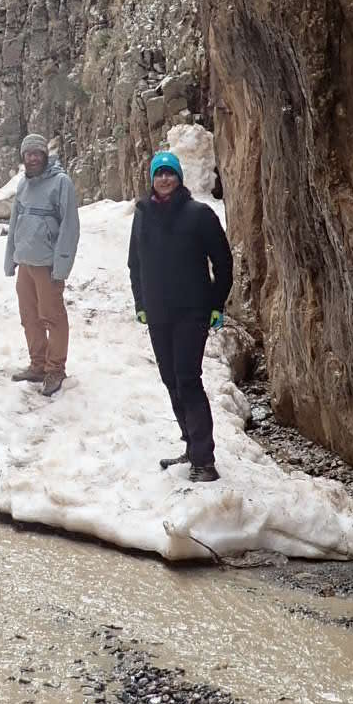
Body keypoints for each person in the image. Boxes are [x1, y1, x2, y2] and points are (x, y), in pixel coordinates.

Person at [127, 147, 233, 481]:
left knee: (187, 379)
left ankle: (205, 461)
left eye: (170, 173)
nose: (164, 178)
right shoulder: (143, 214)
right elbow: (134, 264)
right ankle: (191, 445)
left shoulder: (199, 214)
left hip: (192, 311)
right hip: (158, 313)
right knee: (171, 379)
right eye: (159, 173)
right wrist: (141, 304)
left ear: (179, 177)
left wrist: (216, 304)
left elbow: (224, 263)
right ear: (152, 179)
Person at [4, 132, 80, 397]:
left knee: (52, 317)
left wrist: (62, 267)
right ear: (23, 157)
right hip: (25, 264)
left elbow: (70, 228)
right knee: (29, 318)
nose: (33, 158)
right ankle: (38, 365)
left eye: (37, 153)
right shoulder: (23, 184)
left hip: (47, 266)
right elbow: (15, 224)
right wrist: (10, 258)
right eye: (28, 154)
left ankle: (55, 369)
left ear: (45, 155)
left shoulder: (61, 183)